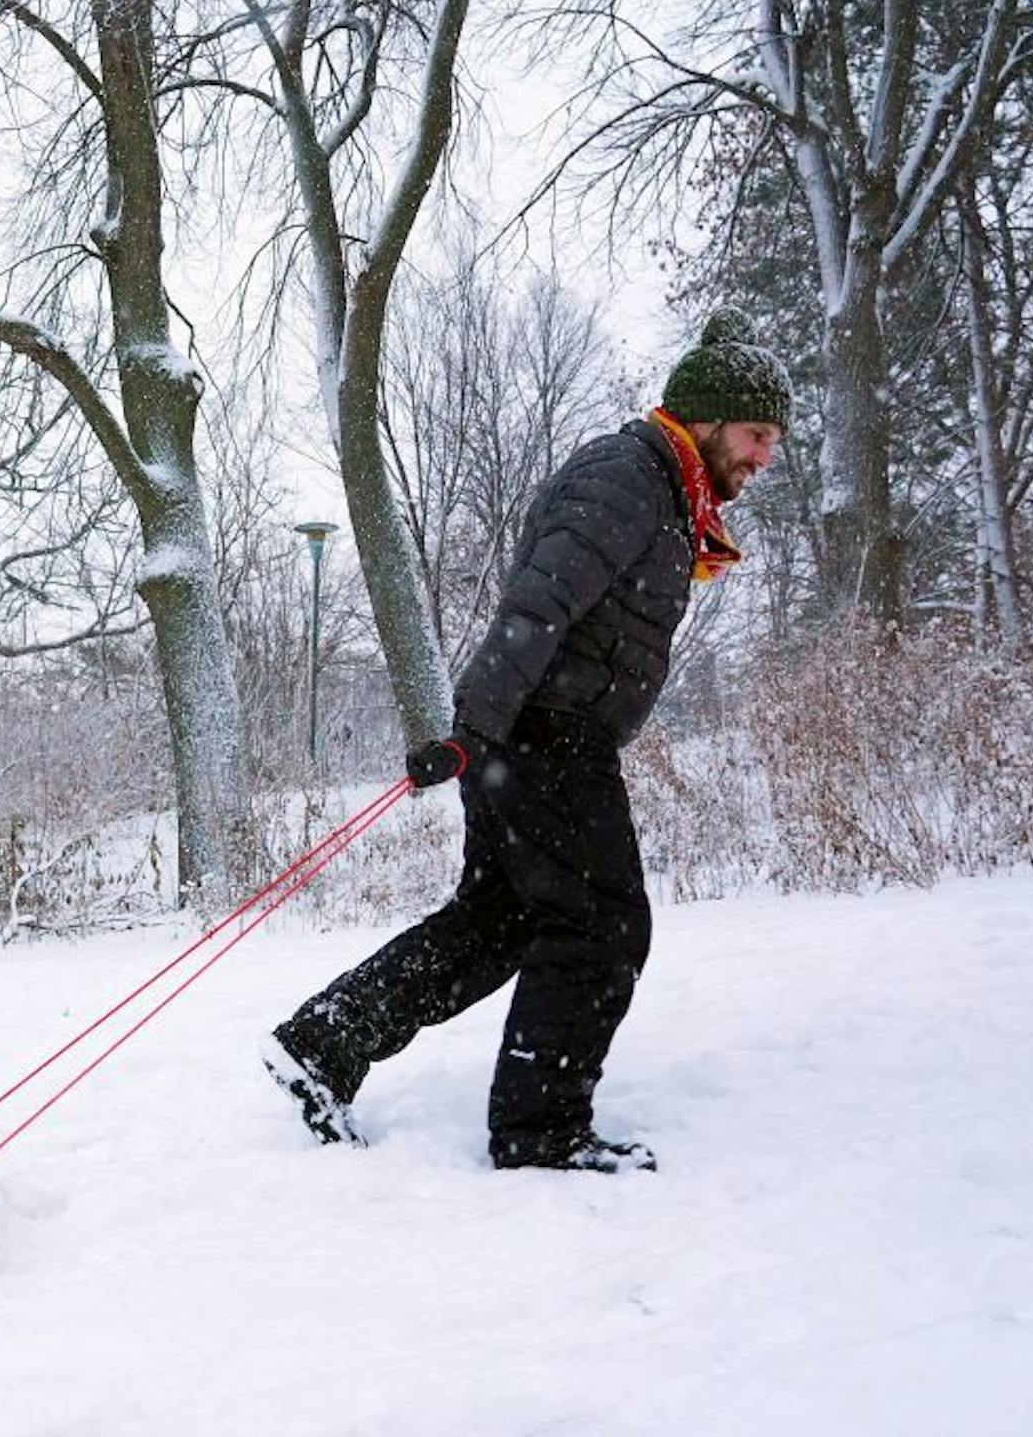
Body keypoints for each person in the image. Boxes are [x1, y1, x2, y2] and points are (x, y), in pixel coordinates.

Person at [264, 306, 790, 1173]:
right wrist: (473, 724)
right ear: (703, 417)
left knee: (497, 923)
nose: (765, 455)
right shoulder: (628, 477)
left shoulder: (666, 492)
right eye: (755, 432)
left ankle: (324, 1043)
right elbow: (537, 605)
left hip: (537, 739)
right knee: (603, 927)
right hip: (547, 737)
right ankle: (540, 1129)